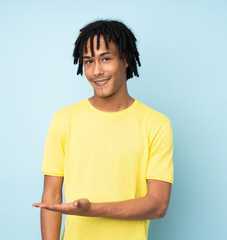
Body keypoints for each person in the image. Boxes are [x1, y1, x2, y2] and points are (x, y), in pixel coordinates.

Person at [32, 19, 174, 240]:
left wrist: (92, 210)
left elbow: (158, 205)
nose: (97, 71)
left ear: (125, 59)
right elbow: (51, 194)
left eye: (106, 59)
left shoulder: (156, 124)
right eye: (88, 61)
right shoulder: (64, 119)